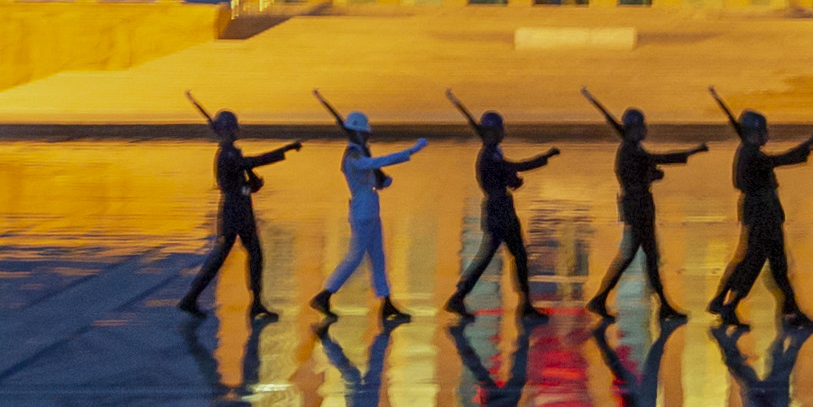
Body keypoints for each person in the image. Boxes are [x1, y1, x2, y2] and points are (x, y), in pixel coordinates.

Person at [179, 110, 303, 316]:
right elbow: (252, 162)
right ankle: (191, 298)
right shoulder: (227, 154)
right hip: (234, 212)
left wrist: (251, 184)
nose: (237, 130)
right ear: (227, 130)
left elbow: (243, 180)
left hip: (240, 210)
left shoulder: (232, 153)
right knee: (225, 257)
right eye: (233, 127)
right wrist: (285, 150)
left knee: (254, 255)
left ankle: (255, 303)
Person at [312, 109, 430, 318]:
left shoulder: (359, 151)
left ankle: (386, 302)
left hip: (371, 209)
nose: (368, 136)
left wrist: (382, 181)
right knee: (355, 257)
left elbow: (371, 176)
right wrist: (411, 151)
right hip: (362, 211)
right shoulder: (353, 155)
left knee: (379, 257)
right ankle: (324, 295)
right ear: (357, 133)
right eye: (365, 133)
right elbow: (372, 164)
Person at [440, 109, 559, 315]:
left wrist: (513, 180)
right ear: (492, 133)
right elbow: (515, 166)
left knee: (518, 255)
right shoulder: (488, 156)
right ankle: (458, 297)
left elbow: (505, 175)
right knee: (492, 257)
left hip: (503, 209)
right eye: (499, 130)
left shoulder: (493, 153)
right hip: (498, 213)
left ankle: (525, 303)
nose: (503, 133)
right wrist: (544, 157)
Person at [709, 107, 813, 328]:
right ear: (752, 133)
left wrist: (806, 148)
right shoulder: (751, 154)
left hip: (763, 213)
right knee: (760, 264)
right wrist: (806, 146)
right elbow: (777, 161)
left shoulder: (749, 152)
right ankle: (725, 303)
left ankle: (727, 304)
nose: (766, 134)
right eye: (762, 131)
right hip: (762, 215)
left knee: (767, 265)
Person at [590, 106, 701, 315]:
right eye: (641, 127)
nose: (645, 130)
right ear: (633, 129)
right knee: (632, 256)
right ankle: (601, 298)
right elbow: (656, 160)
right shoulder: (630, 151)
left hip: (640, 205)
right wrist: (688, 153)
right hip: (637, 207)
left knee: (648, 256)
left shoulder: (633, 149)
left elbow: (641, 172)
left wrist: (651, 176)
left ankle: (663, 304)